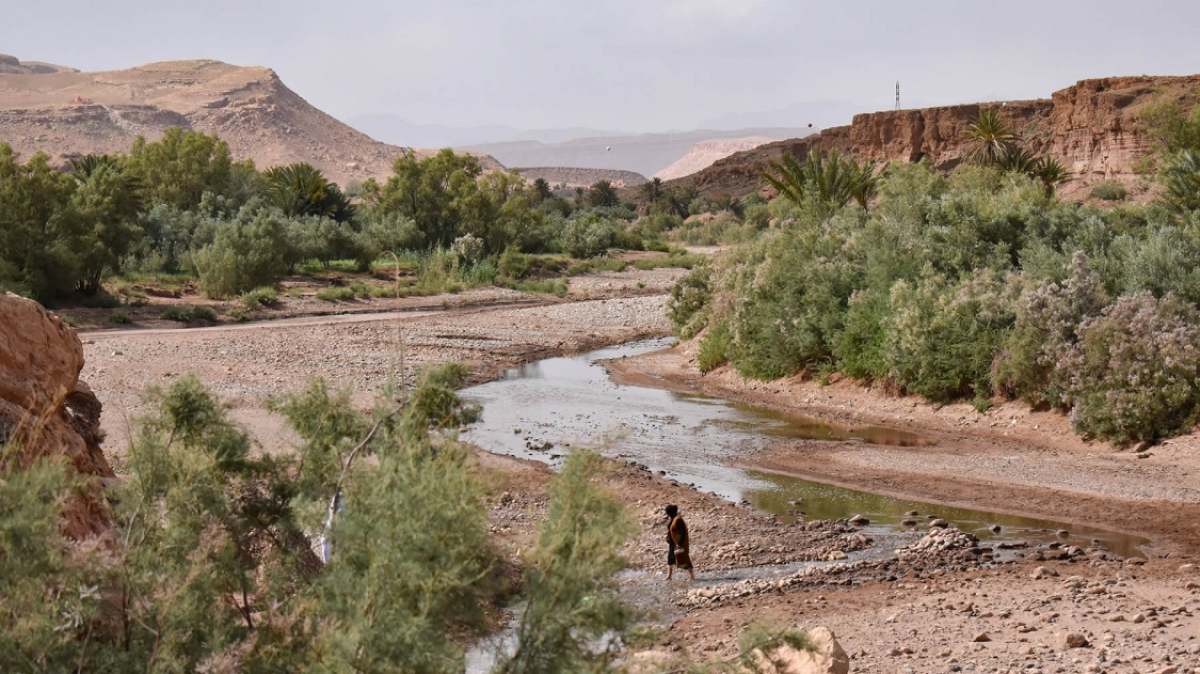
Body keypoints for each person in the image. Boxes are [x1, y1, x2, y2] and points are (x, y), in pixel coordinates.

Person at [665, 504, 694, 581]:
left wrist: (679, 544)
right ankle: (669, 576)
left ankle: (691, 577)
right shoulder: (673, 518)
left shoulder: (678, 520)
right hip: (672, 544)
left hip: (678, 544)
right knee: (670, 560)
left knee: (685, 559)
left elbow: (682, 532)